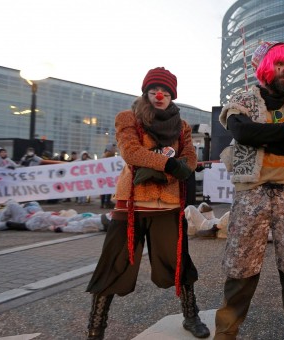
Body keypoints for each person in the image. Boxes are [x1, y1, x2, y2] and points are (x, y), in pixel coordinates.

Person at [85, 67, 210, 339]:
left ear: (172, 95)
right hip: (131, 203)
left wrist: (180, 166)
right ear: (146, 92)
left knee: (179, 262)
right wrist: (169, 164)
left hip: (168, 204)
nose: (159, 94)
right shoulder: (128, 117)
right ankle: (96, 328)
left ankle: (191, 315)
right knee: (113, 264)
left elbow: (189, 158)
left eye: (165, 91)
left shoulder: (182, 126)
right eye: (154, 89)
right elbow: (131, 152)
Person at [215, 41, 284, 340]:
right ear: (263, 67)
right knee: (240, 268)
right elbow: (241, 132)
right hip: (252, 194)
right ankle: (226, 333)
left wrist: (261, 136)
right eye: (278, 63)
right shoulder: (242, 101)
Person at [100, 144, 116, 209]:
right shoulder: (108, 155)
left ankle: (103, 204)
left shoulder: (105, 155)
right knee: (107, 190)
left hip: (105, 176)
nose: (115, 150)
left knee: (105, 191)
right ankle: (106, 203)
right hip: (106, 176)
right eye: (114, 148)